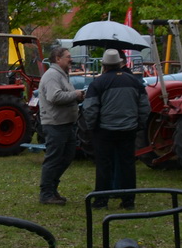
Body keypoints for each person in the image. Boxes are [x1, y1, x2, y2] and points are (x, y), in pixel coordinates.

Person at [81, 48, 151, 209]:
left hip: (104, 131)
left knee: (104, 165)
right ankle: (128, 201)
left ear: (104, 65)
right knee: (127, 165)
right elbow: (144, 106)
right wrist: (139, 124)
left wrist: (92, 127)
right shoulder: (134, 81)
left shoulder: (98, 83)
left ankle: (101, 200)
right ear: (120, 64)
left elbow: (90, 108)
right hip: (128, 130)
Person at [35, 43, 81, 205]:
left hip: (65, 123)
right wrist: (75, 94)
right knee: (54, 159)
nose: (71, 60)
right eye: (68, 57)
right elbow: (55, 97)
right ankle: (46, 194)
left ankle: (52, 190)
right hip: (55, 124)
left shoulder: (61, 74)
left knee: (67, 157)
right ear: (58, 59)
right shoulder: (52, 76)